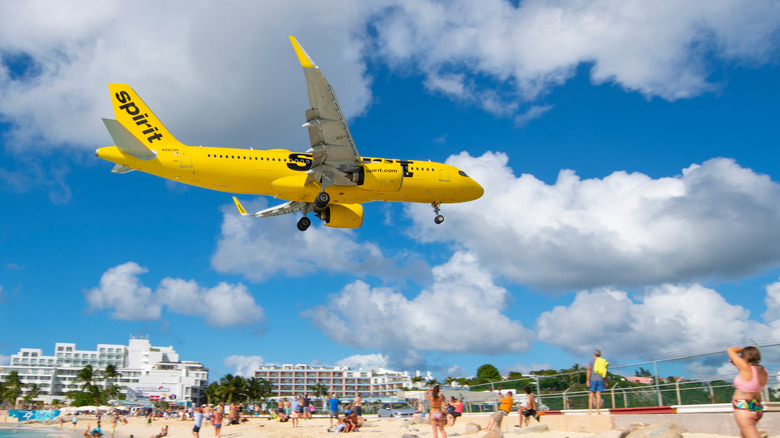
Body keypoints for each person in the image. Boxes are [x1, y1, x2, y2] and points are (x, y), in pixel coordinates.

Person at [728, 346, 768, 438]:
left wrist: (744, 352)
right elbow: (749, 379)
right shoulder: (763, 370)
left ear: (745, 357)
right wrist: (750, 353)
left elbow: (730, 349)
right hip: (756, 406)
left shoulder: (746, 368)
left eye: (742, 356)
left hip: (744, 407)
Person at [586, 349, 608, 415]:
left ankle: (590, 410)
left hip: (593, 379)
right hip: (601, 379)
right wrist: (606, 381)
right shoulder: (603, 361)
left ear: (594, 354)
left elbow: (589, 371)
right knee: (598, 395)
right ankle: (598, 410)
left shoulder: (591, 361)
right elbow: (606, 372)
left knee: (591, 394)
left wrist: (587, 380)